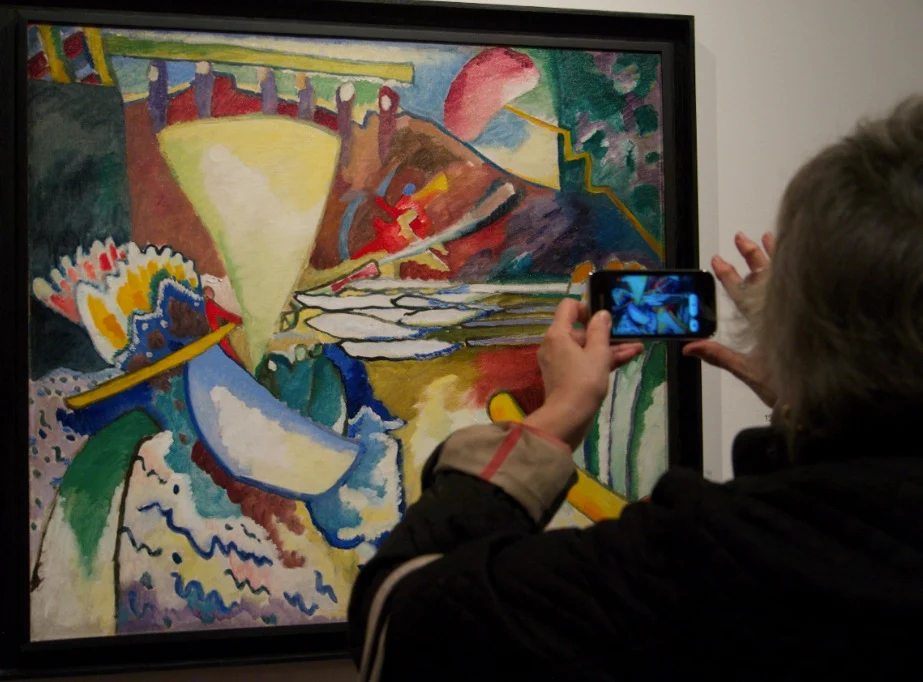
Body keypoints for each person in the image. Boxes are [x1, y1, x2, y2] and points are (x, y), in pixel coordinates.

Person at [348, 97, 923, 681]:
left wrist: (559, 414)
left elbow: (401, 619)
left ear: (796, 326)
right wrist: (811, 393)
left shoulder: (709, 559)